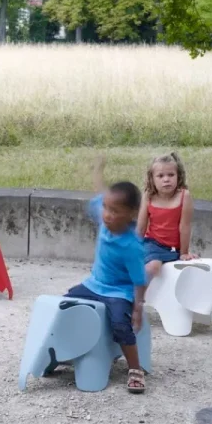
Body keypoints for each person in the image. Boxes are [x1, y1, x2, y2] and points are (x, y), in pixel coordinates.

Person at [64, 156, 148, 393]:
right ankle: (64, 351)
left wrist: (138, 308)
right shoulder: (105, 218)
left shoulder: (131, 245)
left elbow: (139, 280)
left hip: (118, 291)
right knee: (66, 305)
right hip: (94, 284)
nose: (107, 214)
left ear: (131, 214)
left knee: (121, 324)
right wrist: (98, 169)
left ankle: (135, 368)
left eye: (115, 211)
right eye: (106, 208)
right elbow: (100, 192)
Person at [137, 152, 197, 281]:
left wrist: (184, 253)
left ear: (178, 176)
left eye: (171, 175)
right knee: (153, 266)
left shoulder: (184, 196)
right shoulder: (148, 196)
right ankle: (136, 298)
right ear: (152, 178)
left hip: (174, 249)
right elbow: (141, 227)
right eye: (160, 176)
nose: (166, 179)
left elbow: (185, 227)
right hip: (153, 244)